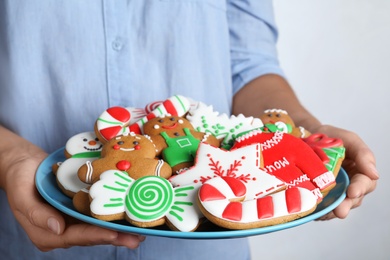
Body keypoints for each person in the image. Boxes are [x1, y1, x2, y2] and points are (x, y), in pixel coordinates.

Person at [0, 1, 378, 259]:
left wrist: (304, 135)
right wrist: (9, 157)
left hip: (209, 232)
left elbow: (248, 64)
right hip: (24, 231)